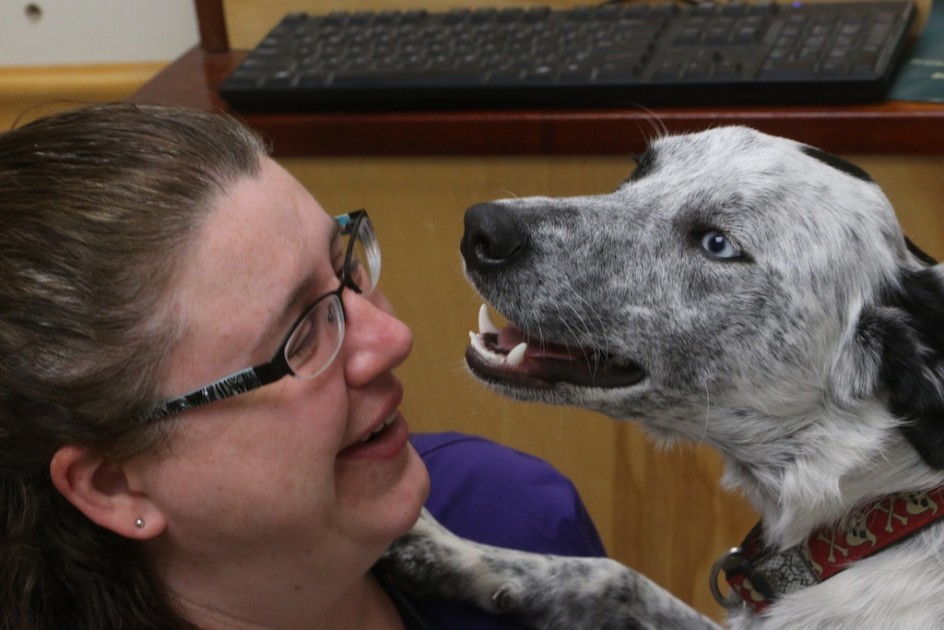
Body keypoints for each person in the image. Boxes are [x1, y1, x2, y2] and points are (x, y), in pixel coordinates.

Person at [0, 102, 605, 629]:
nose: (393, 338)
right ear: (113, 483)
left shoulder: (514, 522)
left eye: (344, 266)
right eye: (299, 336)